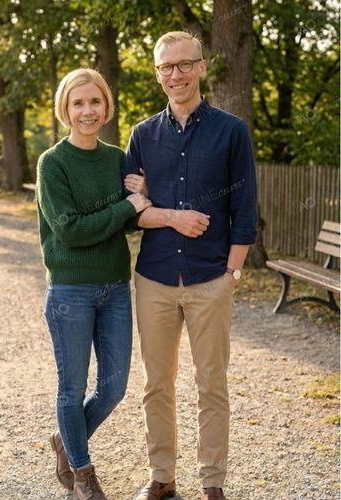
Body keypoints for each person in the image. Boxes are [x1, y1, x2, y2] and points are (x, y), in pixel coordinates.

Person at [123, 32, 257, 500]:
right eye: (166, 68)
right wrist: (167, 215)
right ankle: (162, 475)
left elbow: (245, 209)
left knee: (211, 384)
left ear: (201, 67)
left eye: (183, 65)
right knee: (156, 385)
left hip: (210, 279)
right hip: (155, 277)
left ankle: (212, 481)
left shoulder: (231, 131)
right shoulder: (141, 135)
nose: (175, 75)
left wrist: (232, 275)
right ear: (158, 73)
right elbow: (132, 207)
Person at [36, 68, 151, 500]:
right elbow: (70, 230)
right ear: (65, 109)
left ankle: (67, 441)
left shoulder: (117, 158)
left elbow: (134, 222)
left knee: (115, 387)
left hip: (115, 288)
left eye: (95, 102)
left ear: (107, 107)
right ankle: (82, 473)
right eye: (78, 103)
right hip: (70, 291)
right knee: (72, 388)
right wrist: (126, 207)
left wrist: (143, 195)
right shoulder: (53, 163)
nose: (87, 110)